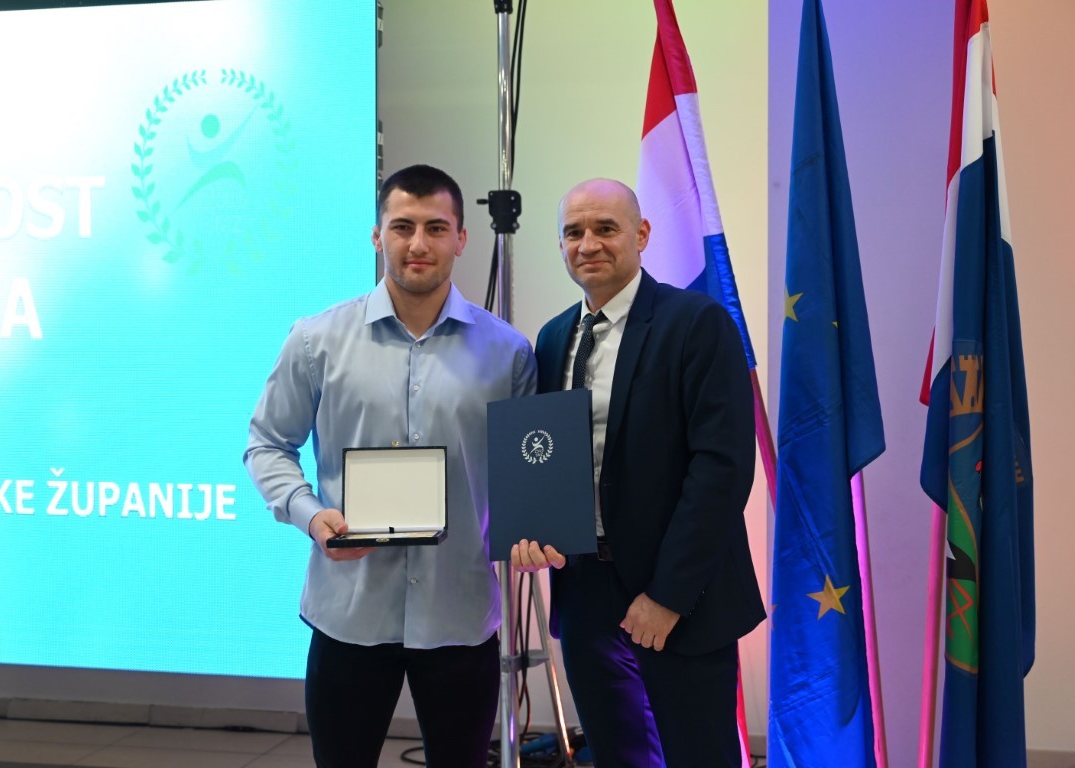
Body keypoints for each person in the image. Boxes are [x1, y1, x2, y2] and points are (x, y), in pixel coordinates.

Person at [244, 164, 536, 768]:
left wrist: (539, 529)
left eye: (436, 228)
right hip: (349, 612)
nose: (418, 243)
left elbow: (528, 473)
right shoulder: (316, 341)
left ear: (461, 238)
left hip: (459, 615)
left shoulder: (508, 352)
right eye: (402, 227)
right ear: (378, 236)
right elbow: (267, 444)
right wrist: (311, 515)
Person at [512, 178, 765, 767]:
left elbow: (722, 469)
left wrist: (668, 595)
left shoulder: (697, 323)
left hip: (679, 593)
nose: (588, 244)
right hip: (585, 591)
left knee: (699, 756)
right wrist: (532, 528)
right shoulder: (553, 337)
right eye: (573, 232)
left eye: (605, 228)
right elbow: (548, 453)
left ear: (641, 234)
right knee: (617, 754)